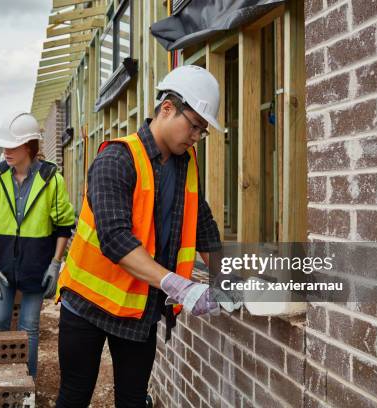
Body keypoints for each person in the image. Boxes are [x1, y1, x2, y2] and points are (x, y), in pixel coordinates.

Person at [54, 65, 242, 408]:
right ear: (167, 108)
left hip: (139, 311)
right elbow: (115, 239)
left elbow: (203, 226)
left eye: (202, 130)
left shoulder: (186, 164)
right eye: (194, 125)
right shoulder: (117, 158)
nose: (197, 136)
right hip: (86, 306)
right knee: (75, 395)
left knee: (133, 400)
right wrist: (180, 286)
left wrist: (223, 276)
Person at [0, 111, 75, 378]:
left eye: (12, 145)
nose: (5, 150)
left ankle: (26, 385)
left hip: (36, 267)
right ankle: (0, 382)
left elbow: (64, 225)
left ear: (29, 145)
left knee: (29, 325)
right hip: (2, 266)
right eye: (3, 145)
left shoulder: (51, 179)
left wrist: (55, 263)